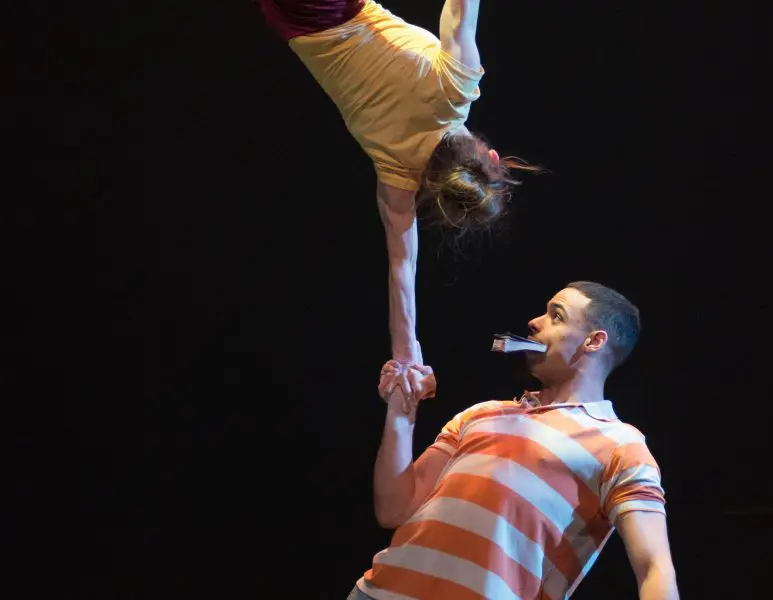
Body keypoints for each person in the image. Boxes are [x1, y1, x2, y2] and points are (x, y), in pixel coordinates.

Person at [258, 0, 540, 398]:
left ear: (490, 157)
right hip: (289, 18)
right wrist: (407, 356)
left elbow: (460, 10)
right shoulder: (398, 175)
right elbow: (401, 268)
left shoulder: (456, 87)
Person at [365, 281, 679, 600]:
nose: (534, 321)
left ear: (594, 341)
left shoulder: (619, 444)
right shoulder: (481, 414)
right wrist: (401, 412)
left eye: (556, 315)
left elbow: (655, 567)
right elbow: (395, 509)